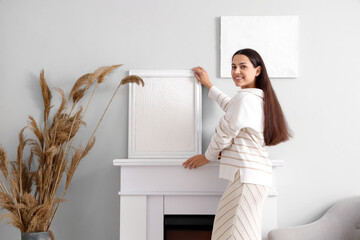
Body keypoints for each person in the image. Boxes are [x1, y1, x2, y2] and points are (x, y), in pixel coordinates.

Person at [183, 48, 291, 240]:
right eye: (233, 66)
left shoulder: (245, 99)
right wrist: (209, 85)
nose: (236, 72)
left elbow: (224, 134)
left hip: (246, 178)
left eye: (243, 66)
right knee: (243, 234)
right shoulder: (257, 98)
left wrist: (207, 157)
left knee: (227, 235)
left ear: (257, 71)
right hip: (255, 177)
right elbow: (232, 107)